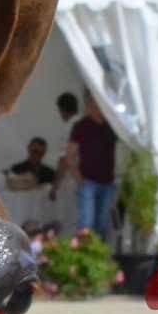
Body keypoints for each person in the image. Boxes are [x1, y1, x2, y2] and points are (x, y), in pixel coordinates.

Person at [67, 91, 118, 240]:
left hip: (107, 182)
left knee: (102, 225)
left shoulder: (111, 126)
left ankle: (99, 258)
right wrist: (80, 179)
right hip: (88, 182)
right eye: (93, 103)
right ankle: (85, 257)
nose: (96, 107)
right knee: (87, 224)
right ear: (88, 105)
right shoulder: (81, 126)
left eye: (99, 103)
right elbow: (70, 155)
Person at [48, 91, 79, 201]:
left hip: (72, 180)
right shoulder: (83, 124)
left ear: (63, 109)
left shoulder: (69, 127)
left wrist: (55, 186)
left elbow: (64, 159)